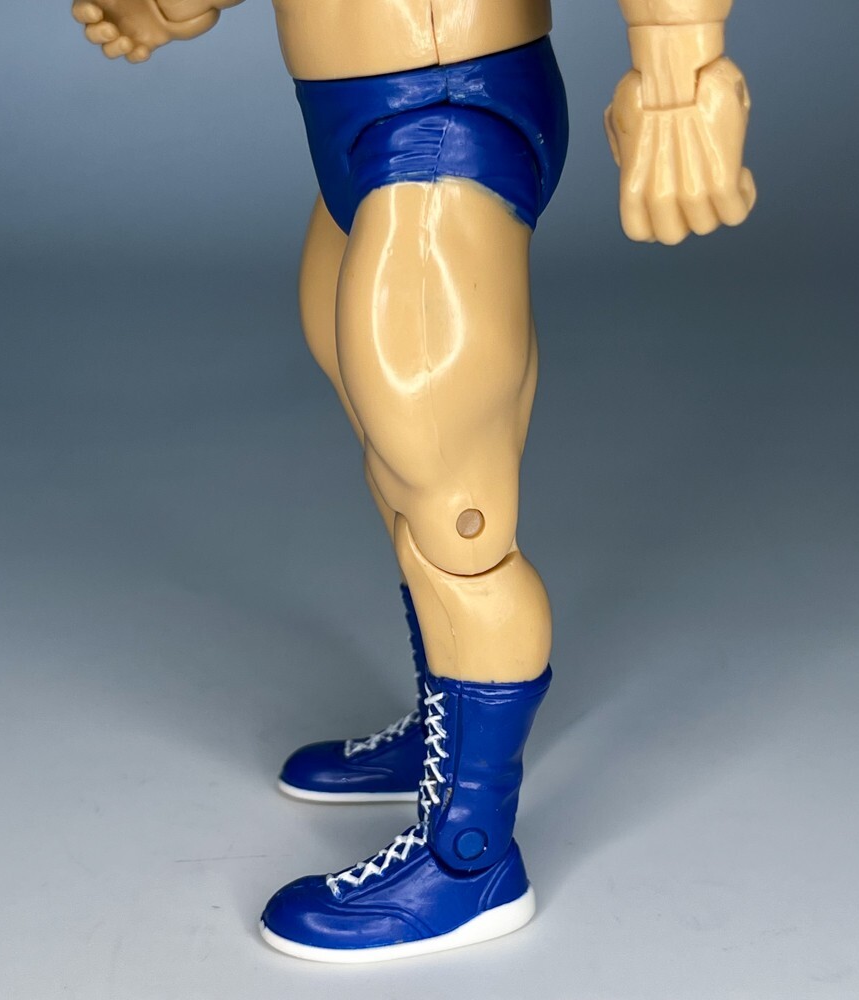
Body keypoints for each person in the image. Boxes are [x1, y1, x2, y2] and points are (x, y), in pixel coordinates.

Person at [72, 0, 755, 963]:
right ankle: (446, 727)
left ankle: (468, 861)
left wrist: (678, 62)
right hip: (353, 109)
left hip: (446, 105)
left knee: (454, 505)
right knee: (393, 443)